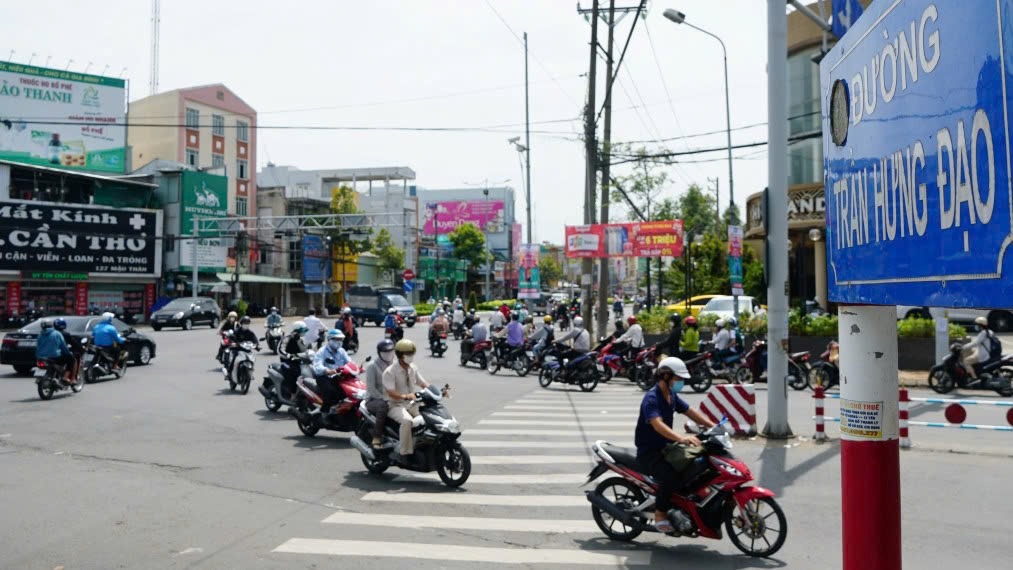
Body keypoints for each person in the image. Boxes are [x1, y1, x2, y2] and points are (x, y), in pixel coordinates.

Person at [635, 357, 716, 533]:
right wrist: (681, 438)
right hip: (650, 452)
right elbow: (658, 425)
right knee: (670, 477)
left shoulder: (671, 395)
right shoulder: (652, 398)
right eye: (678, 378)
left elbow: (689, 411)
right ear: (665, 376)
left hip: (666, 448)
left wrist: (713, 426)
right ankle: (660, 514)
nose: (680, 382)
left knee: (696, 465)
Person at [382, 339, 430, 460]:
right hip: (395, 405)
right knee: (407, 421)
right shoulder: (390, 371)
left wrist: (436, 391)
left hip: (412, 403)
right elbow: (391, 392)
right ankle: (405, 453)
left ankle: (422, 445)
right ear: (400, 355)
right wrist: (404, 396)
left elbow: (423, 383)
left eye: (412, 353)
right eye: (408, 354)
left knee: (429, 416)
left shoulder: (413, 368)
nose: (411, 356)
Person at [364, 339, 396, 449]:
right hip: (374, 399)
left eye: (391, 351)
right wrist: (385, 398)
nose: (388, 354)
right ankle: (377, 437)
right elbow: (371, 389)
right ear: (379, 353)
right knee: (383, 406)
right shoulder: (372, 366)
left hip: (394, 397)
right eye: (385, 352)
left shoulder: (396, 365)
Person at [311, 329, 351, 413]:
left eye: (341, 339)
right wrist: (327, 370)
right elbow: (317, 365)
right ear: (330, 340)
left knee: (348, 391)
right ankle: (324, 412)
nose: (339, 342)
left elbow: (349, 362)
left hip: (338, 376)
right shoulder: (322, 351)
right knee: (330, 392)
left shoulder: (341, 351)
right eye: (337, 339)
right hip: (324, 377)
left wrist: (357, 368)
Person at [36, 318, 75, 383]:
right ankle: (65, 377)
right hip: (54, 357)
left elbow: (37, 347)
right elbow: (63, 346)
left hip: (41, 357)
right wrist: (68, 353)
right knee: (71, 359)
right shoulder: (57, 334)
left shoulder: (40, 335)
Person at [277, 320, 309, 398]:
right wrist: (289, 356)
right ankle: (292, 393)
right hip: (287, 362)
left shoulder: (301, 339)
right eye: (302, 331)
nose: (304, 332)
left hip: (300, 362)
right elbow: (280, 350)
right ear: (297, 330)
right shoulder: (287, 338)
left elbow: (306, 350)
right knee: (294, 372)